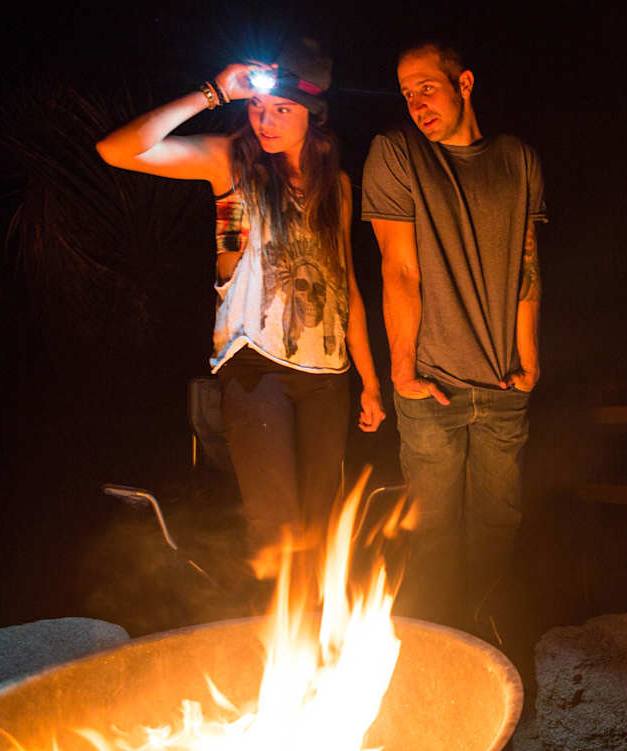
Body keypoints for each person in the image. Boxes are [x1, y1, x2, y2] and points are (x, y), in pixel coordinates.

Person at [96, 38, 385, 581]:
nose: (265, 120)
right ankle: (274, 637)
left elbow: (346, 288)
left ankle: (317, 645)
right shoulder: (229, 164)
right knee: (276, 528)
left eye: (281, 109)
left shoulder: (337, 188)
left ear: (313, 117)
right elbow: (118, 150)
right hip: (254, 368)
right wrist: (212, 93)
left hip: (328, 377)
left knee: (322, 527)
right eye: (256, 106)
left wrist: (370, 380)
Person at [361, 40, 547, 633]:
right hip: (432, 388)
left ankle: (491, 647)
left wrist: (530, 359)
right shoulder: (396, 154)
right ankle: (436, 657)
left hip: (502, 385)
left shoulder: (518, 159)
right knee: (432, 536)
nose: (416, 103)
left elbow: (526, 263)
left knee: (499, 529)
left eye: (427, 87)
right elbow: (399, 268)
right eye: (407, 93)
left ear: (464, 82)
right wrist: (402, 372)